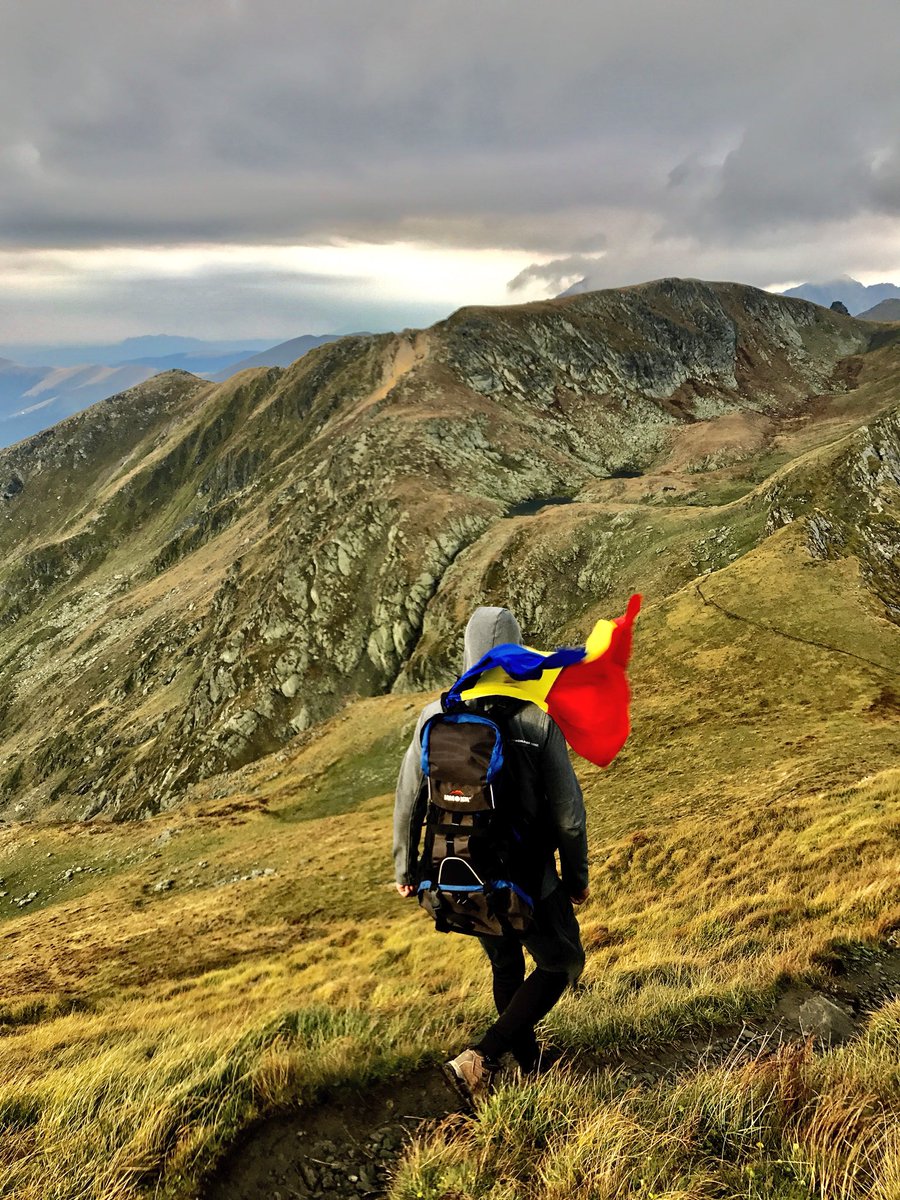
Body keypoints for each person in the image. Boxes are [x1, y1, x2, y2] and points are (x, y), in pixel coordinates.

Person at [393, 605, 588, 1106]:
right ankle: (484, 1055)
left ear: (468, 652)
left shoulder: (434, 717)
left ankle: (533, 1067)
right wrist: (576, 876)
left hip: (459, 872)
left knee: (505, 966)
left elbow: (409, 799)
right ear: (515, 652)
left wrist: (406, 869)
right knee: (562, 962)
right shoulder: (534, 721)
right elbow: (569, 817)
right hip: (530, 879)